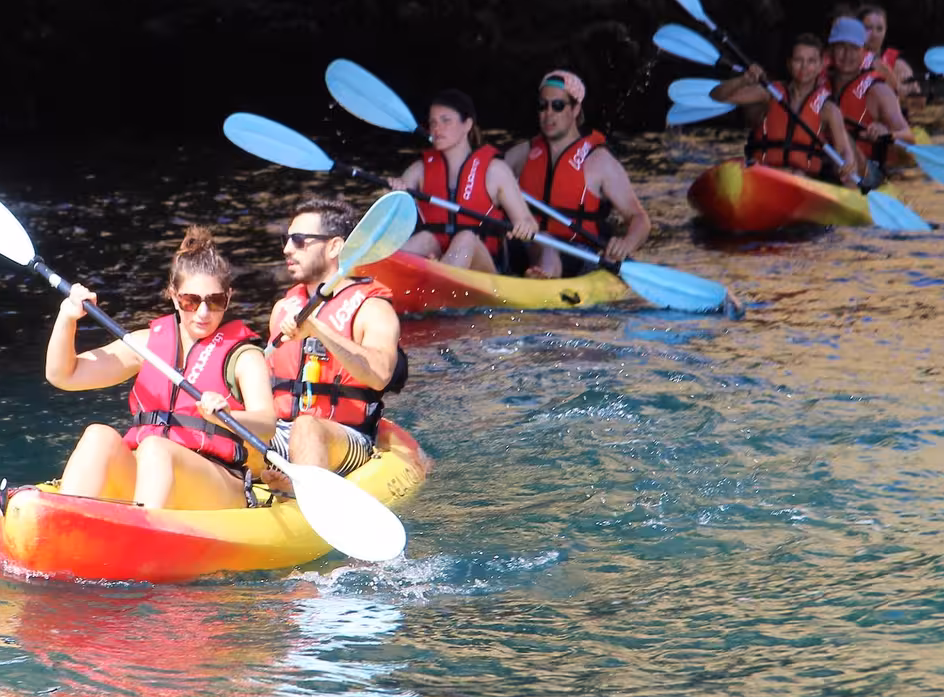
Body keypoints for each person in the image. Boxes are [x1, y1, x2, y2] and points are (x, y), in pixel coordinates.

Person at [45, 226, 272, 510]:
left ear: (229, 297)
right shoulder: (145, 345)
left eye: (215, 301)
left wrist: (223, 417)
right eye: (191, 301)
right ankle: (68, 523)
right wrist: (68, 318)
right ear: (175, 296)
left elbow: (267, 425)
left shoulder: (245, 357)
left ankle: (143, 535)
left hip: (218, 481)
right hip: (153, 474)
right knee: (98, 435)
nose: (203, 312)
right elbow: (63, 375)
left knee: (156, 448)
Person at [257, 199, 404, 477]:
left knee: (307, 426)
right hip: (281, 432)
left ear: (335, 246)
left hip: (346, 438)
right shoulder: (283, 308)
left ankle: (303, 497)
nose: (287, 249)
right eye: (286, 239)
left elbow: (380, 374)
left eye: (299, 240)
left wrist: (320, 330)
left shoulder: (372, 308)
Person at [501, 70, 651, 277]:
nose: (549, 114)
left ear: (575, 109)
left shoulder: (600, 161)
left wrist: (626, 244)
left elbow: (639, 218)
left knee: (548, 242)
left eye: (558, 106)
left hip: (579, 254)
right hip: (526, 247)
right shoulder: (521, 155)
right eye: (542, 106)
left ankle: (542, 278)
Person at [386, 88, 537, 273]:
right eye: (433, 122)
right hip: (440, 255)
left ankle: (439, 281)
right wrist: (394, 194)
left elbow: (529, 222)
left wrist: (524, 226)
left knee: (466, 237)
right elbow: (389, 217)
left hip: (485, 267)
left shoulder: (495, 170)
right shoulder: (420, 169)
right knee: (426, 238)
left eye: (445, 121)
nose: (436, 128)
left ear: (467, 125)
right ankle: (387, 274)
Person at [710, 34, 860, 185]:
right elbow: (717, 95)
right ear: (789, 63)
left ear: (821, 65)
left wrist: (847, 163)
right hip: (764, 173)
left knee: (798, 175)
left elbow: (844, 151)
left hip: (802, 180)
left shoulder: (828, 109)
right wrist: (743, 80)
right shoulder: (769, 93)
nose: (804, 67)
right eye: (798, 60)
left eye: (811, 61)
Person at [827, 17, 912, 185]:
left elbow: (909, 138)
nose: (847, 55)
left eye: (853, 48)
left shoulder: (878, 91)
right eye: (840, 47)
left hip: (867, 175)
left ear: (864, 52)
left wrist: (888, 134)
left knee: (845, 139)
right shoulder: (818, 84)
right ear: (831, 51)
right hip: (827, 166)